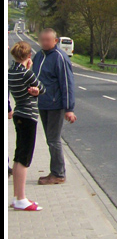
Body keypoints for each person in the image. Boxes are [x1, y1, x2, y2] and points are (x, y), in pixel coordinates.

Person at [32, 28, 76, 185]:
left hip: (55, 105)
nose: (44, 43)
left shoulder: (59, 57)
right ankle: (55, 171)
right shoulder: (39, 56)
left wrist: (69, 108)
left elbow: (67, 83)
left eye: (47, 40)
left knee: (53, 139)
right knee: (49, 139)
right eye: (42, 40)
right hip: (42, 104)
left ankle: (58, 174)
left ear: (55, 41)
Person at [8, 40, 45, 211]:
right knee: (25, 158)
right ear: (29, 56)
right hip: (29, 115)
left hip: (18, 113)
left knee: (18, 155)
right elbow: (42, 88)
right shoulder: (26, 74)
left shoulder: (10, 72)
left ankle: (17, 196)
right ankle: (21, 197)